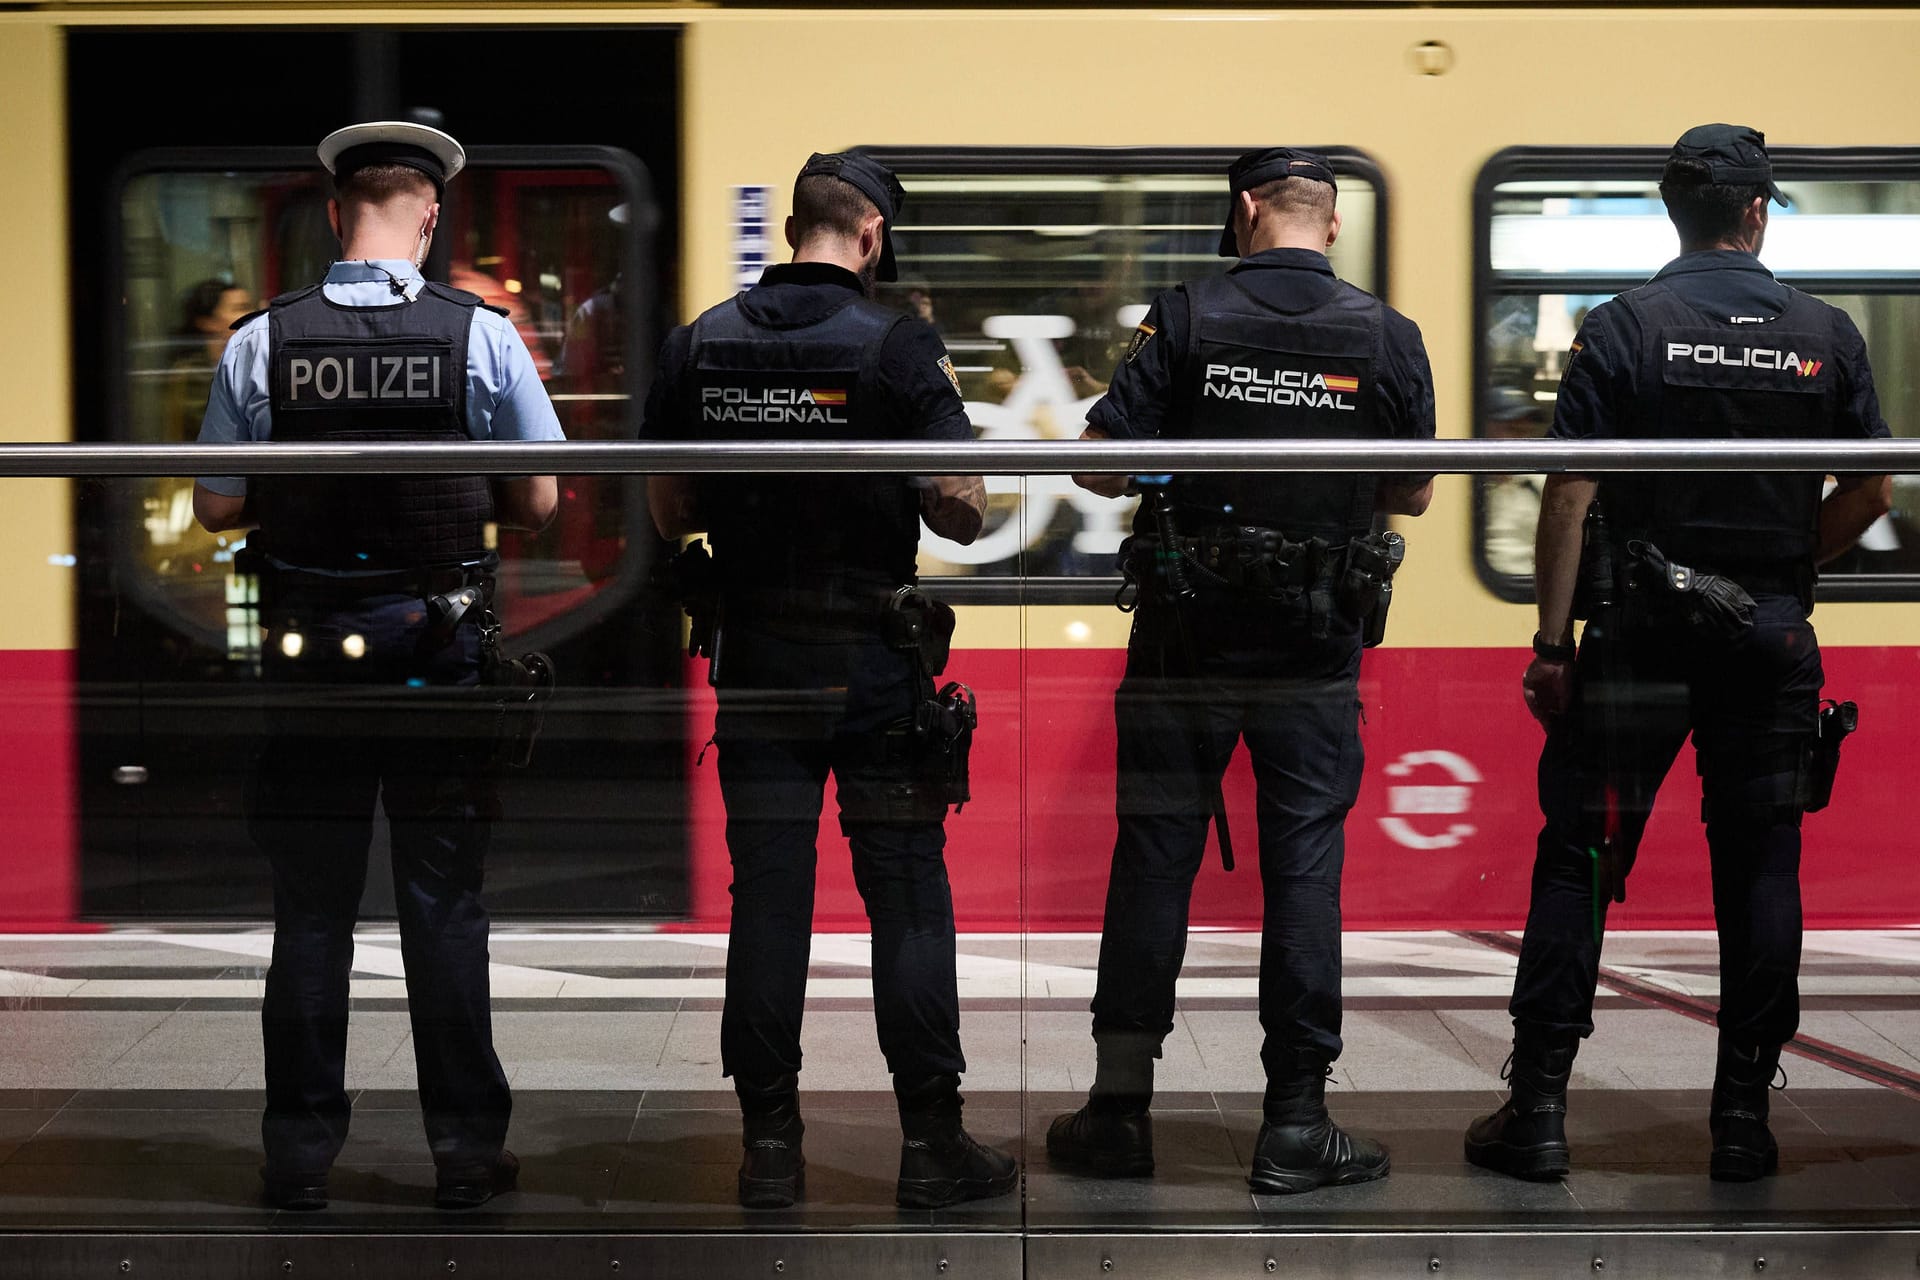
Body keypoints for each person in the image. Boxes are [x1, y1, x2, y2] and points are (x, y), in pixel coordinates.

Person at [1464, 124, 1893, 1185]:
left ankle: (1542, 1110)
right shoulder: (1827, 334)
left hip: (1637, 636)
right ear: (1757, 212)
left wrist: (1551, 641)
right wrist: (1787, 573)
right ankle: (1743, 1120)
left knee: (1581, 857)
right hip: (1770, 637)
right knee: (1759, 863)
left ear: (1674, 210)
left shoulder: (1621, 327)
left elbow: (1570, 493)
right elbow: (1874, 490)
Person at [192, 120, 564, 1212]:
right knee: (442, 905)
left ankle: (299, 1154)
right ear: (431, 214)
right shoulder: (479, 335)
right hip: (438, 651)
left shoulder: (263, 340)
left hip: (309, 658)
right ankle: (461, 1150)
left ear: (330, 213)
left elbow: (215, 503)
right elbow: (541, 497)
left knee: (311, 910)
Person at [1050, 148, 1437, 1194]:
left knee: (1154, 859)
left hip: (1185, 638)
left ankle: (1121, 1112)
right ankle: (1298, 1122)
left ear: (1247, 209)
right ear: (1335, 223)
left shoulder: (1181, 314)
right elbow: (1413, 492)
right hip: (1315, 647)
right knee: (1305, 868)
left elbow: (1095, 460)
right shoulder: (1386, 333)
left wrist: (1187, 444)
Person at [642, 151, 1015, 1212]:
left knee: (769, 898)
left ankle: (768, 1149)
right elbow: (962, 506)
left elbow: (671, 509)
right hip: (873, 664)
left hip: (756, 658)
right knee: (902, 893)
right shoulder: (897, 344)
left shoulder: (699, 341)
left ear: (793, 227)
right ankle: (931, 1147)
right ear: (872, 237)